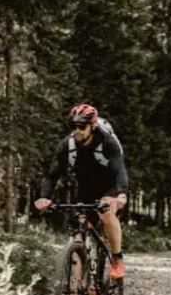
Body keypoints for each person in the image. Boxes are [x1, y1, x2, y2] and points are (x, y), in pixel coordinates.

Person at [33, 103, 128, 280]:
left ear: (92, 126)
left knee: (106, 213)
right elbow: (52, 175)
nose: (77, 131)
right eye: (73, 126)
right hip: (85, 187)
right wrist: (45, 197)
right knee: (78, 237)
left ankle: (117, 259)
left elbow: (120, 170)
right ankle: (81, 294)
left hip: (110, 185)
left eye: (81, 126)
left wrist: (121, 193)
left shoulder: (107, 142)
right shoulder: (67, 145)